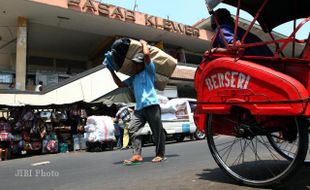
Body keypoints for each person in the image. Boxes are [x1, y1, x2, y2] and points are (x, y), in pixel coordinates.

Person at [108, 39, 166, 164]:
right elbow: (119, 84)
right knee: (133, 128)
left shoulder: (149, 70)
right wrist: (110, 70)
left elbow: (146, 56)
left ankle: (160, 154)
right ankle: (137, 155)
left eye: (137, 63)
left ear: (142, 64)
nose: (135, 65)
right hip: (139, 108)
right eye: (134, 63)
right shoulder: (133, 78)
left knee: (157, 131)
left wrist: (144, 44)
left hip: (151, 105)